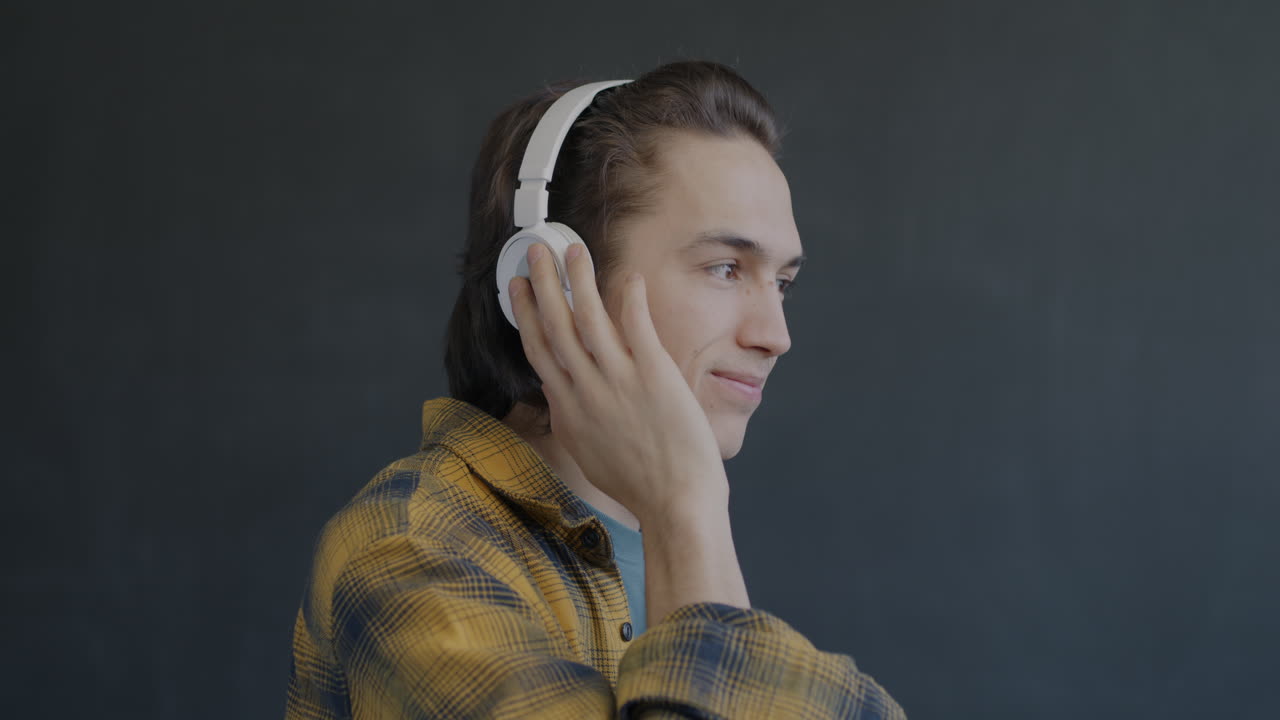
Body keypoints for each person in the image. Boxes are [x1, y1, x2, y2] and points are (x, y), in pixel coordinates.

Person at [285, 60, 906, 719]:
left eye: (781, 281)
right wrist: (685, 507)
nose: (774, 335)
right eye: (725, 268)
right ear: (550, 280)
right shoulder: (412, 554)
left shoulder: (665, 543)